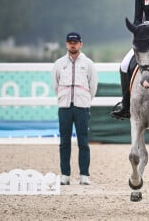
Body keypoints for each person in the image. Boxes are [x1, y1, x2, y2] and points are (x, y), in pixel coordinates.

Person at [52, 32, 98, 186]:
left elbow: (93, 86)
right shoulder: (59, 64)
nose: (73, 45)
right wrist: (62, 98)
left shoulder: (88, 64)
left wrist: (85, 100)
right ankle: (65, 174)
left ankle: (84, 174)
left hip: (82, 107)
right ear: (66, 44)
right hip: (65, 106)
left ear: (81, 44)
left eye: (75, 42)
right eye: (70, 42)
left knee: (83, 142)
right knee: (64, 142)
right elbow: (55, 85)